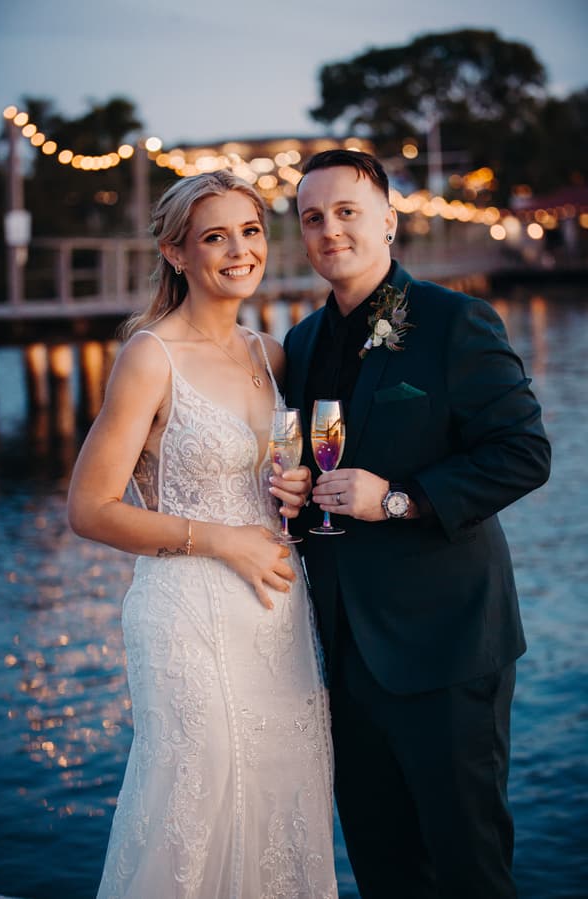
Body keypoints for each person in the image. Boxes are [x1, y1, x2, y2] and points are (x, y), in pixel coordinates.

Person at [281, 149, 551, 899]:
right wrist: (291, 491)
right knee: (384, 868)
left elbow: (524, 454)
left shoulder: (452, 319)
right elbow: (307, 476)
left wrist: (397, 497)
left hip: (446, 647)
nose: (330, 229)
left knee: (469, 869)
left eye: (346, 212)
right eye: (313, 217)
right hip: (341, 653)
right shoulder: (300, 344)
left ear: (388, 222)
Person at [67, 170, 337, 899]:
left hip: (276, 613)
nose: (239, 250)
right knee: (198, 789)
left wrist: (293, 490)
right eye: (215, 236)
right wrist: (223, 539)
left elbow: (275, 476)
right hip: (186, 609)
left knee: (281, 793)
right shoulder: (149, 357)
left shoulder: (268, 353)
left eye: (250, 232)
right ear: (176, 253)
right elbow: (89, 508)